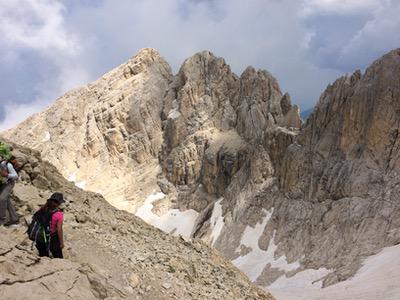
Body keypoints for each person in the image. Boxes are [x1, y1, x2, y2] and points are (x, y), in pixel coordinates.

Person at [35, 193, 65, 259]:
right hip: (52, 237)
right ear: (59, 203)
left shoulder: (43, 209)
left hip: (41, 236)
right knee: (58, 258)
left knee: (43, 256)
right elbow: (59, 229)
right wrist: (61, 243)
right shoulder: (59, 214)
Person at [0, 155, 19, 226]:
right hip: (3, 184)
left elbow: (15, 176)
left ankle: (2, 218)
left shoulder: (6, 164)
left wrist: (6, 175)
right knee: (7, 200)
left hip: (9, 183)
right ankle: (14, 219)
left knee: (2, 199)